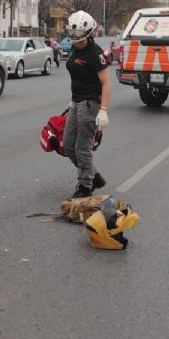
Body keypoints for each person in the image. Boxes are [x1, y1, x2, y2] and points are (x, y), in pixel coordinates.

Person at [62, 11, 112, 199]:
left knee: (82, 148)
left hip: (90, 104)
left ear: (90, 34)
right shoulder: (76, 48)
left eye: (81, 39)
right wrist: (72, 102)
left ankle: (85, 186)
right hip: (76, 102)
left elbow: (106, 83)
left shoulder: (94, 53)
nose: (77, 42)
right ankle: (92, 175)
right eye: (74, 39)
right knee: (68, 145)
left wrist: (103, 111)